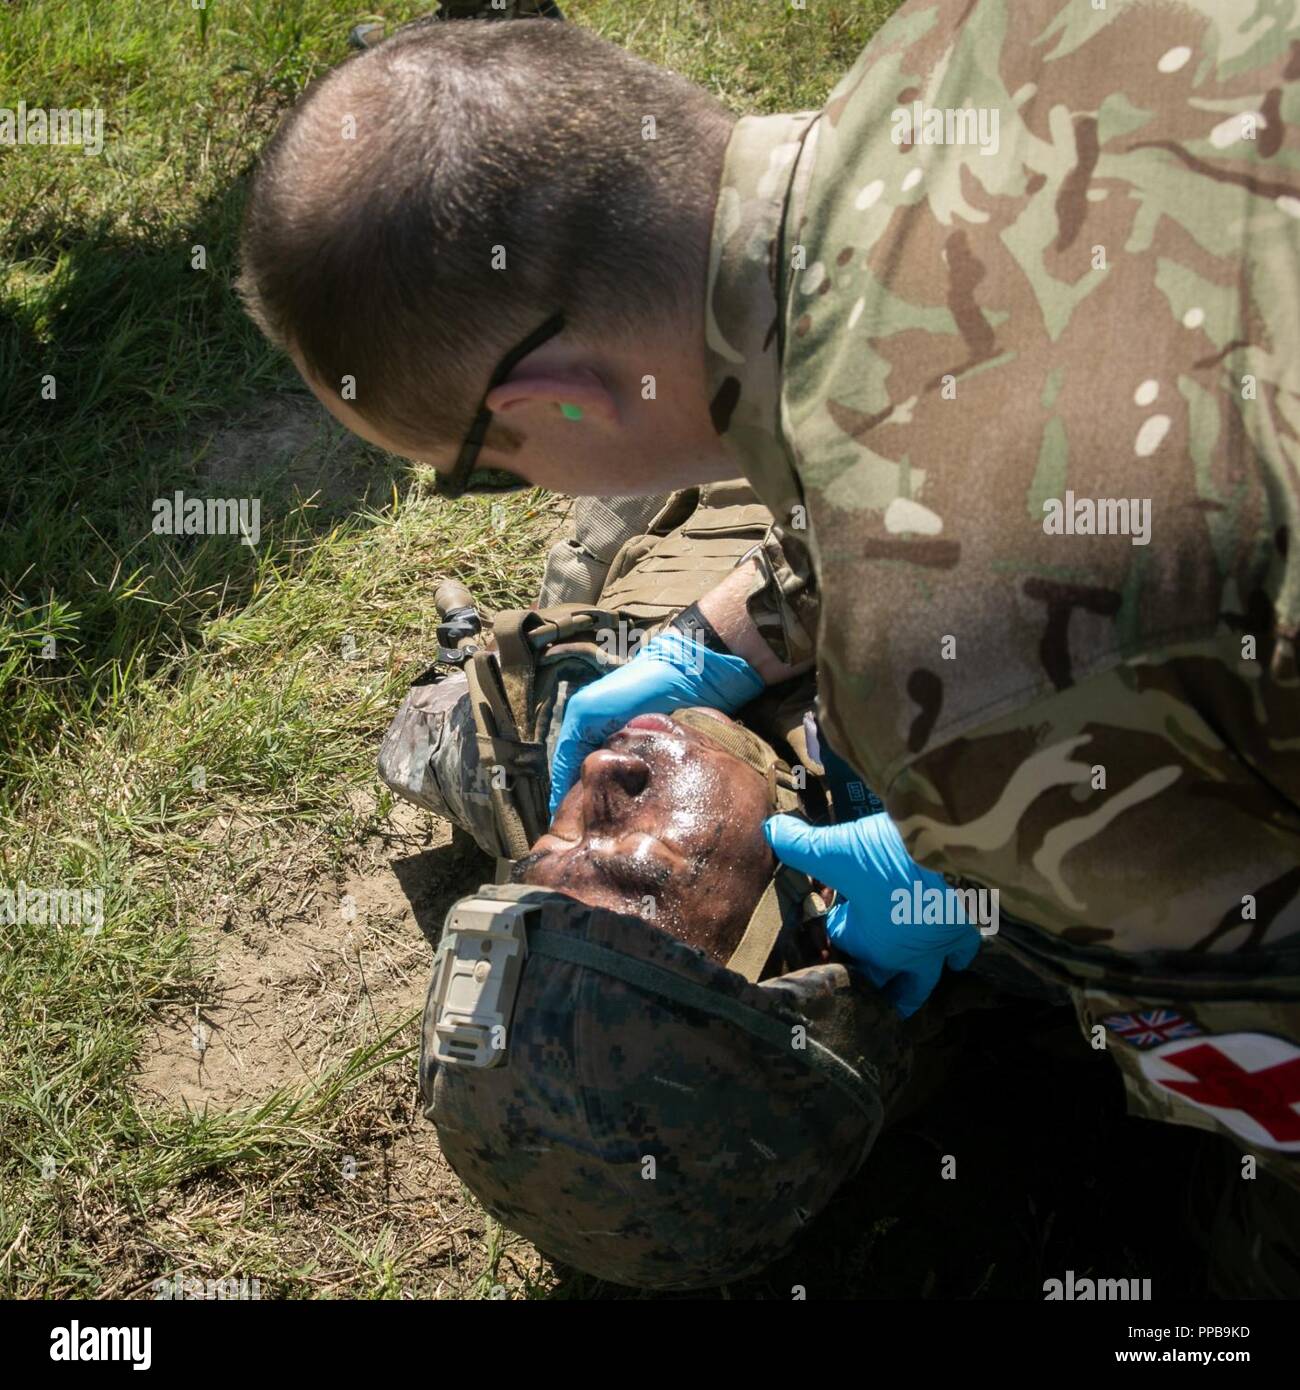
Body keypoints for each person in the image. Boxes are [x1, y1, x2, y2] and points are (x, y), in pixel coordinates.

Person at [238, 4, 1300, 1264]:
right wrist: (725, 633)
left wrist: (1010, 888)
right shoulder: (957, 42)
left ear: (556, 403)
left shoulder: (977, 725)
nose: (596, 789)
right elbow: (964, 405)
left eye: (479, 465)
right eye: (619, 862)